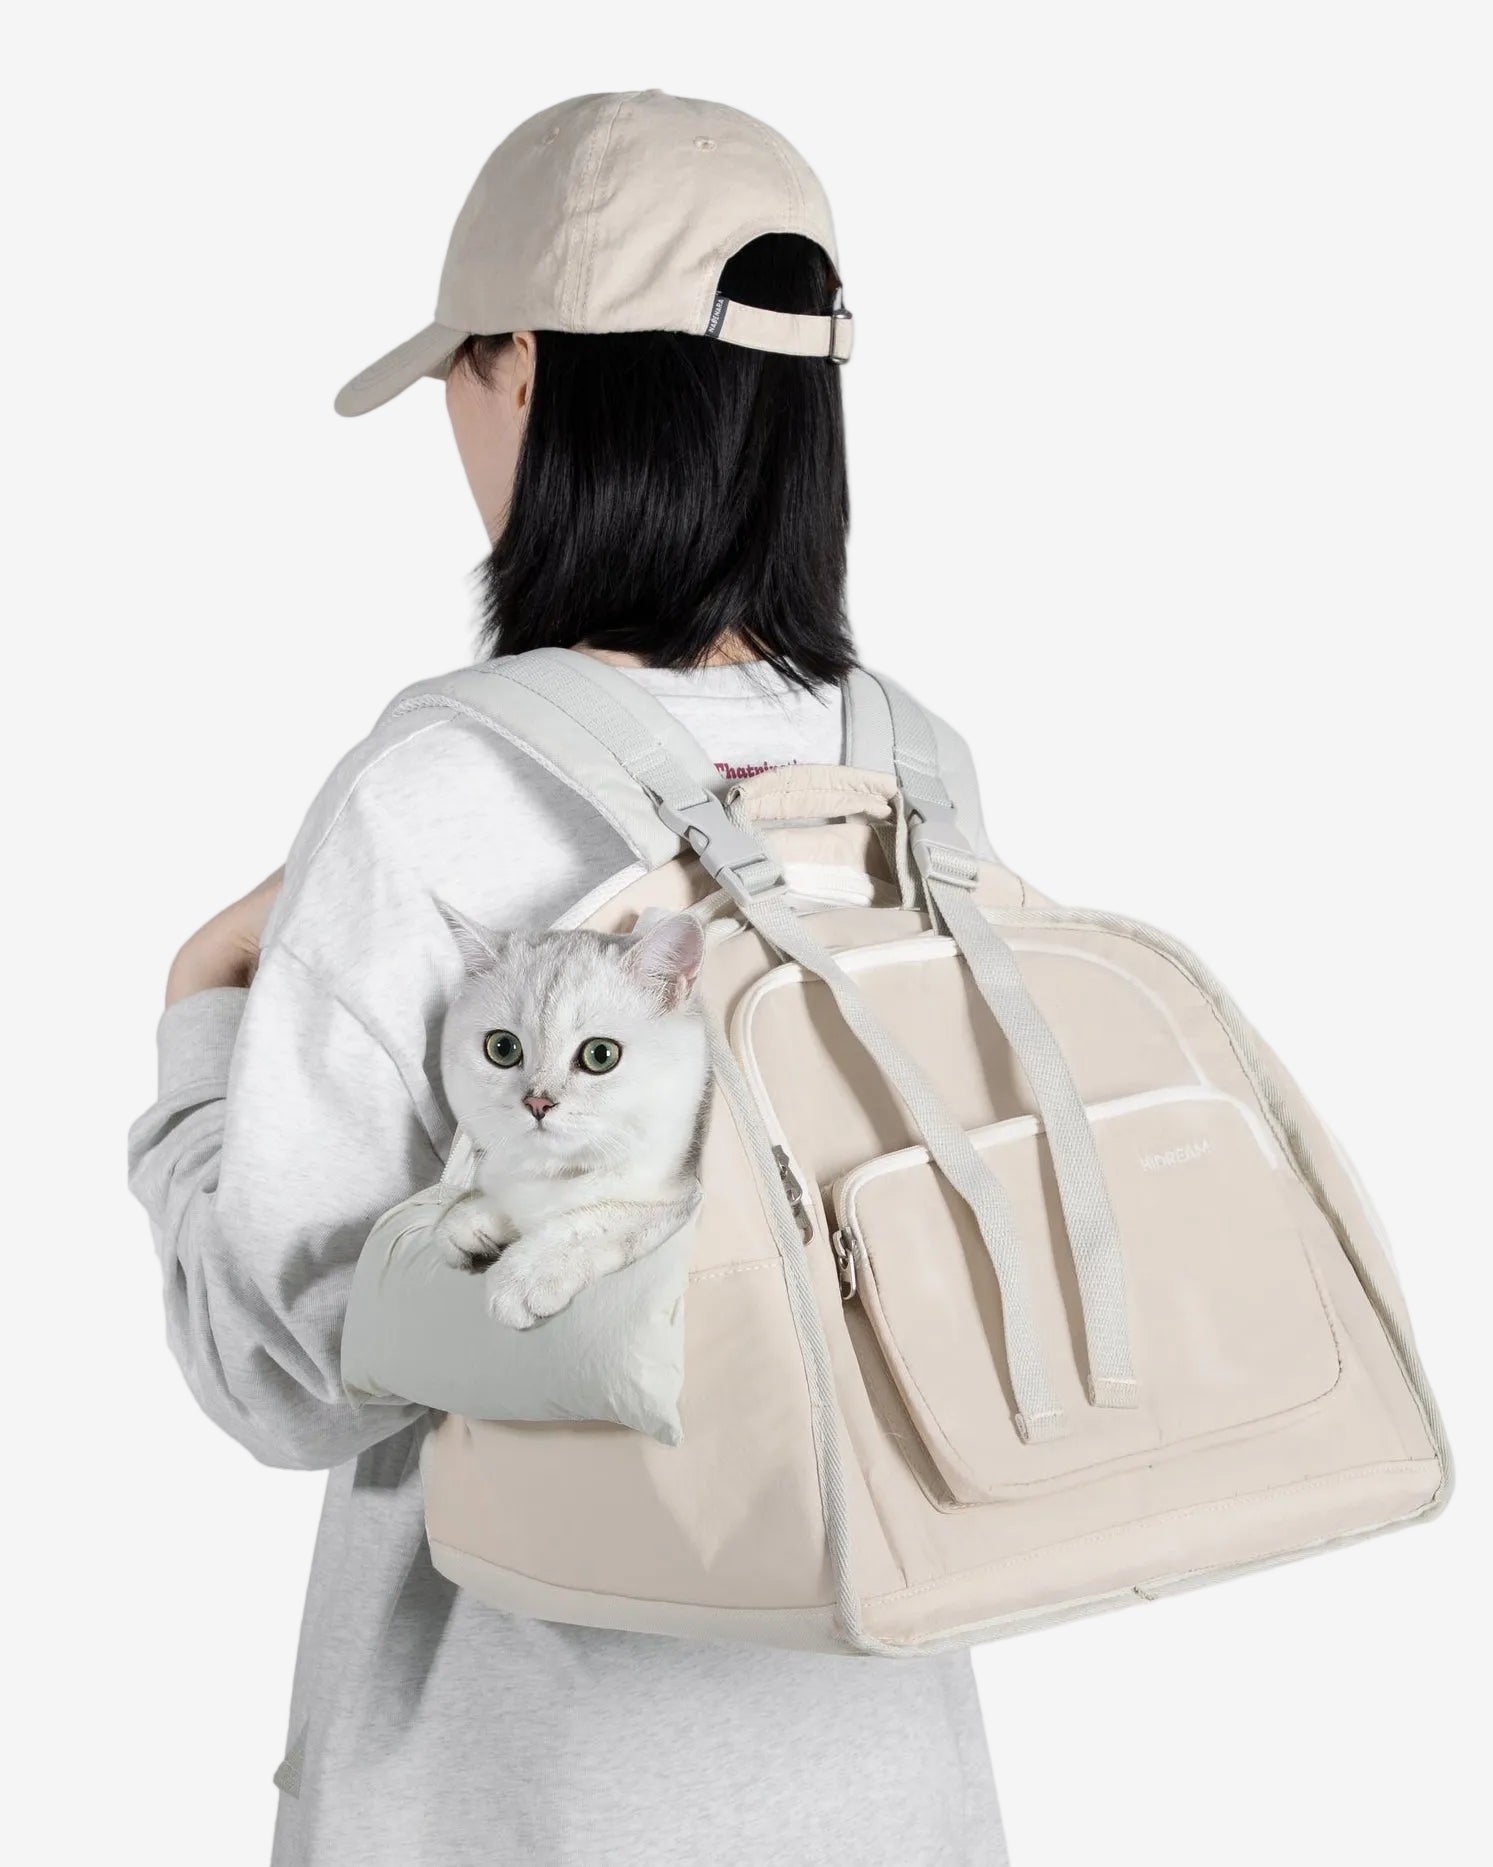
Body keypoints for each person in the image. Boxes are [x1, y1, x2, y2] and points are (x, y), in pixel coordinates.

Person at [129, 90, 1009, 1866]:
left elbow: (284, 1372)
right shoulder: (911, 771)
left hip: (513, 1786)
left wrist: (200, 1017)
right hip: (884, 1765)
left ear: (521, 369)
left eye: (461, 375)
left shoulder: (441, 780)